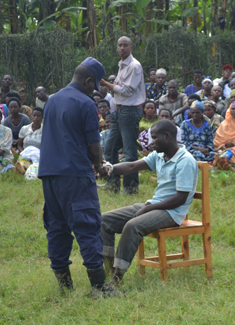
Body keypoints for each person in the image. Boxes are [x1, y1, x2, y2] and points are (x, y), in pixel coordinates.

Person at [38, 57, 119, 298]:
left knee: (57, 226)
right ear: (87, 81)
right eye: (93, 86)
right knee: (87, 224)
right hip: (74, 174)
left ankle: (65, 287)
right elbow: (94, 146)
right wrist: (99, 165)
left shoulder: (51, 101)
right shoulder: (85, 103)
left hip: (49, 174)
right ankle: (99, 287)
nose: (93, 91)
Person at [100, 119, 198, 286]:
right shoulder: (160, 155)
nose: (151, 142)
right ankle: (108, 270)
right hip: (154, 205)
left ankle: (117, 278)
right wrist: (112, 167)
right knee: (104, 220)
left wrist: (148, 209)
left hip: (172, 212)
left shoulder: (185, 161)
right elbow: (131, 166)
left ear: (167, 136)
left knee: (133, 226)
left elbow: (180, 198)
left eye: (154, 138)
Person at [100, 36, 146, 194]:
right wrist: (113, 86)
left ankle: (130, 187)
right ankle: (113, 184)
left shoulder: (134, 66)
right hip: (119, 111)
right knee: (110, 148)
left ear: (131, 47)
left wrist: (106, 84)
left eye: (125, 45)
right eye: (119, 45)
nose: (122, 48)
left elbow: (127, 90)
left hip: (130, 110)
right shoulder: (122, 65)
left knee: (129, 151)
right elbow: (120, 87)